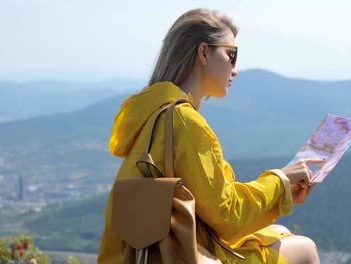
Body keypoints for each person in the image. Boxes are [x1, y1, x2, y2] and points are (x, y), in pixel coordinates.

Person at [98, 8, 324, 264]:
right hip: (180, 255)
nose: (235, 69)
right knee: (304, 249)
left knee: (280, 234)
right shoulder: (185, 121)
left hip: (138, 254)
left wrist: (282, 191)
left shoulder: (153, 111)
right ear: (203, 52)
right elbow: (227, 215)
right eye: (231, 55)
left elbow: (214, 203)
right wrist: (280, 180)